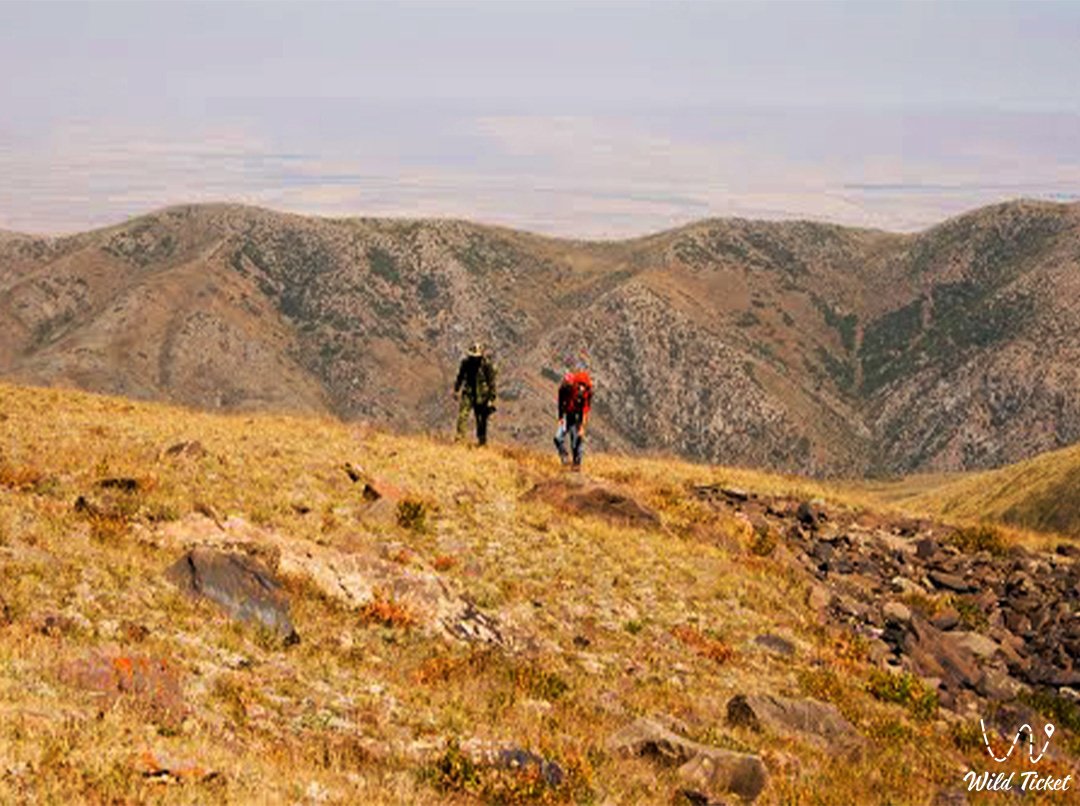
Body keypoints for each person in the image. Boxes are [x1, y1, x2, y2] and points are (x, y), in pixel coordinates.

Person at [453, 342, 497, 446]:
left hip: (482, 395)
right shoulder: (466, 363)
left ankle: (482, 441)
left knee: (481, 419)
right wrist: (456, 390)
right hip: (468, 393)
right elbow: (460, 377)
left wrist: (491, 400)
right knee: (463, 415)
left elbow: (492, 383)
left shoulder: (487, 365)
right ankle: (460, 438)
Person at [554, 368, 593, 471]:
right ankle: (565, 457)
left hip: (576, 418)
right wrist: (560, 417)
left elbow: (585, 412)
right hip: (567, 416)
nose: (581, 388)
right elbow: (560, 403)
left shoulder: (585, 395)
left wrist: (582, 427)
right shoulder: (563, 390)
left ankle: (576, 465)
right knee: (557, 438)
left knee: (576, 442)